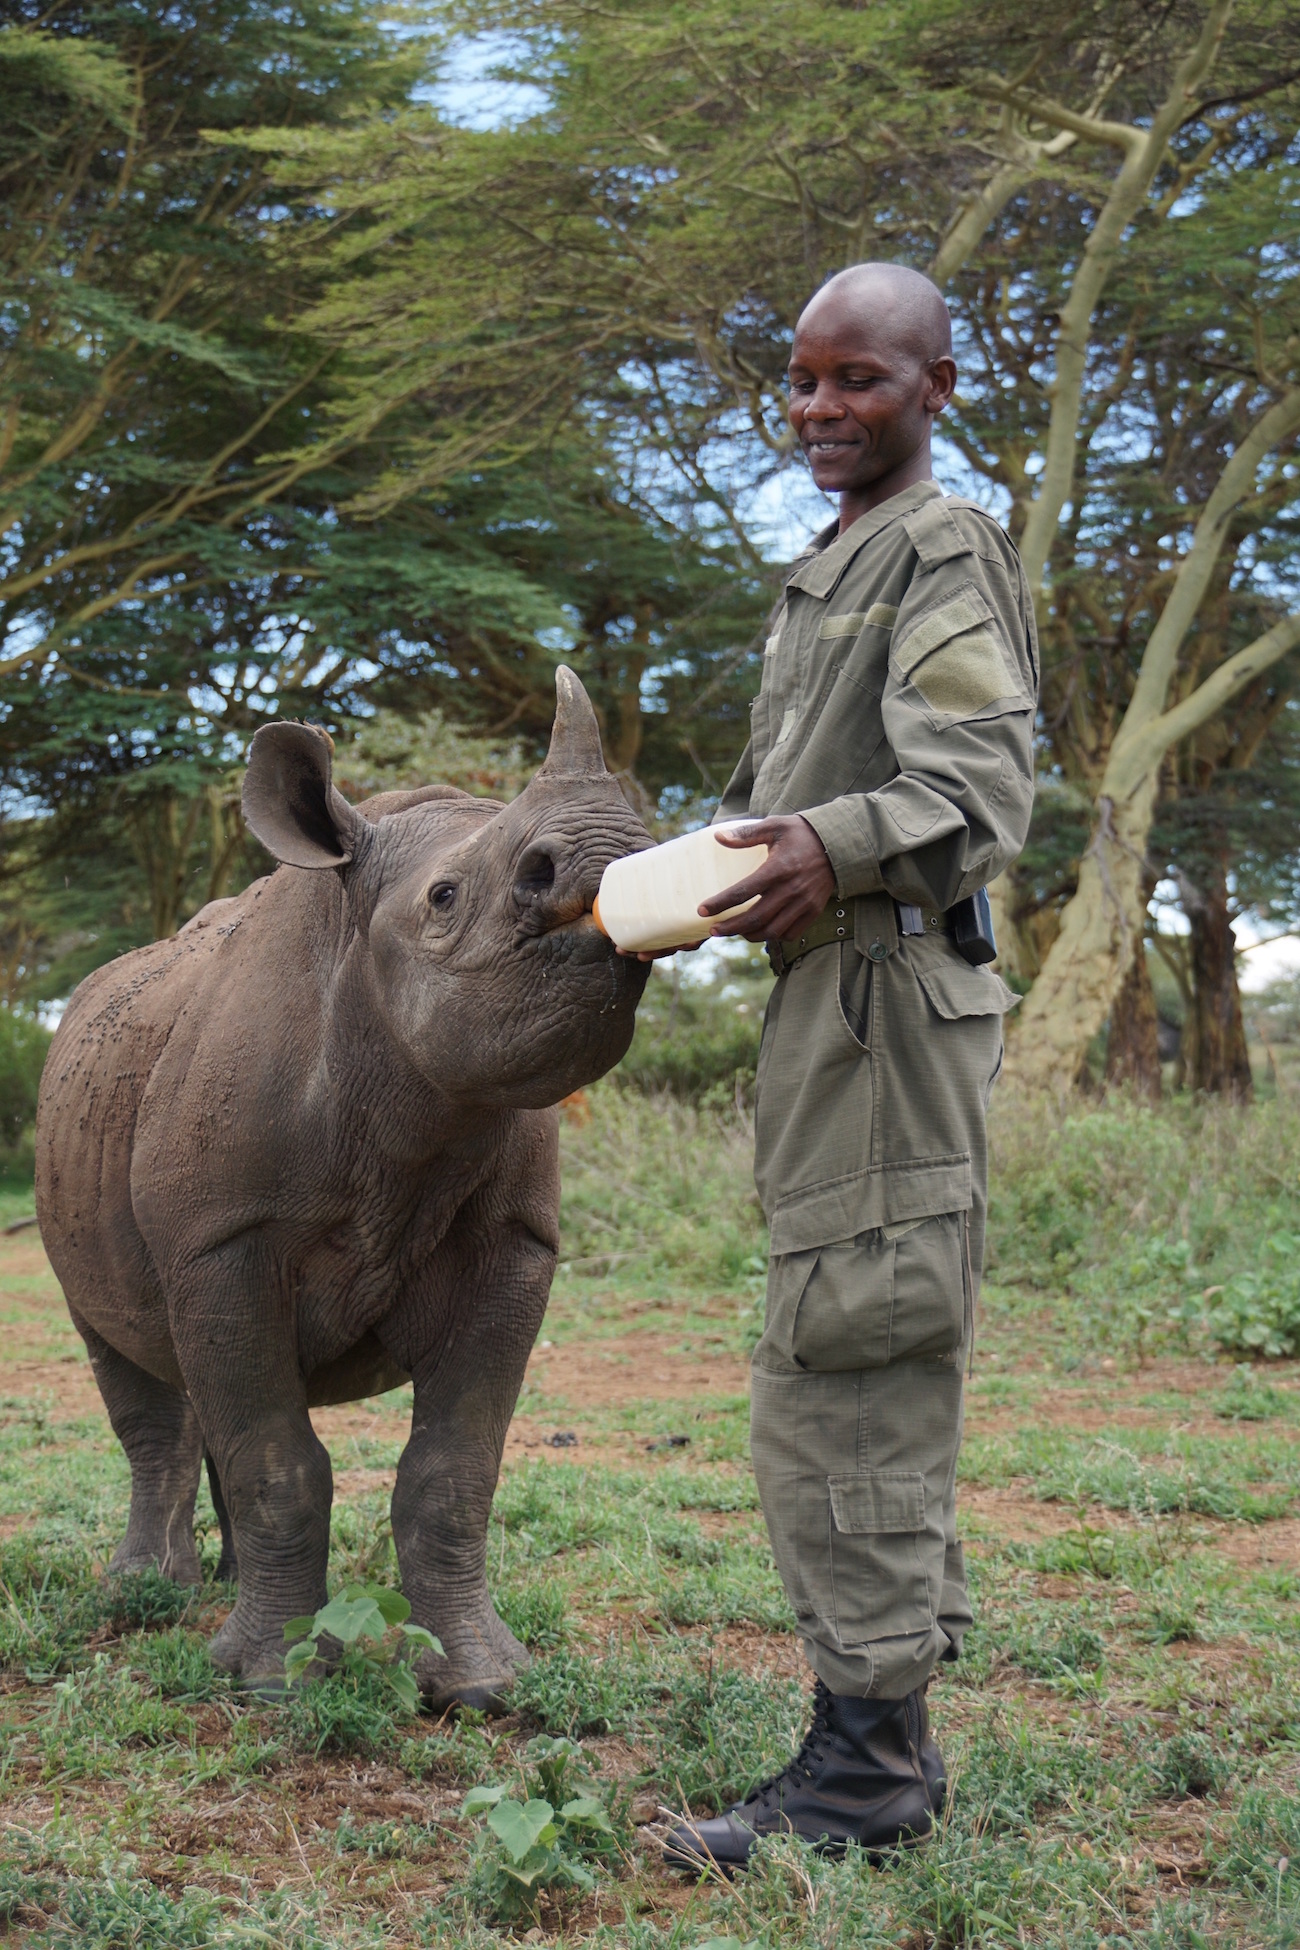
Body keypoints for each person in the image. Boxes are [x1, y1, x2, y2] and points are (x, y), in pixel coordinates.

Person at [659, 262, 1039, 1872]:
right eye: (802, 380)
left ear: (939, 386)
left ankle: (867, 1772)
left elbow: (980, 781)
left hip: (887, 998)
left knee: (853, 1359)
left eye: (861, 380)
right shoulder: (839, 560)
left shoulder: (938, 546)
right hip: (842, 1002)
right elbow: (794, 795)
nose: (822, 408)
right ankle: (881, 1731)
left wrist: (827, 840)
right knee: (839, 1351)